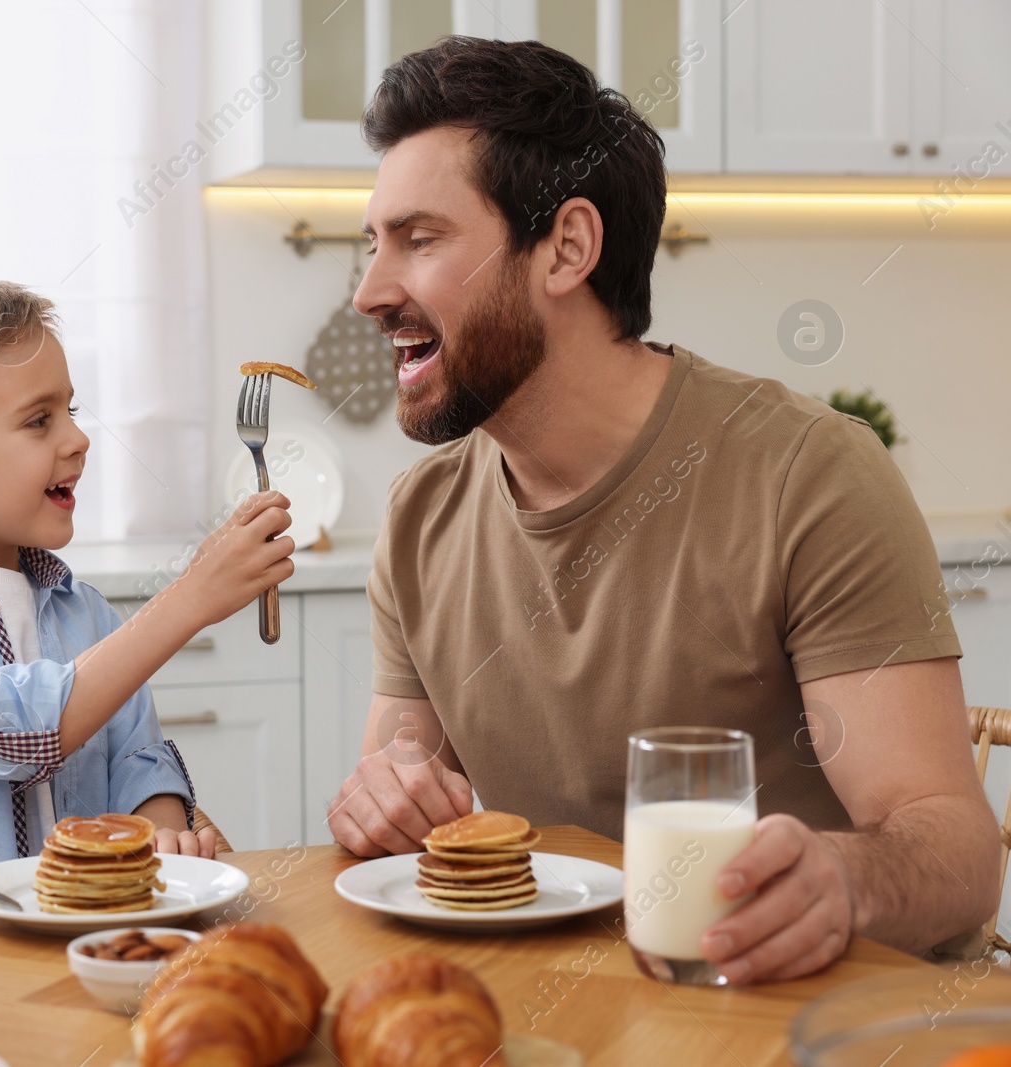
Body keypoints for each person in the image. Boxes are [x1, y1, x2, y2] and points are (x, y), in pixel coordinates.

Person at [325, 37, 1001, 981]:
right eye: (372, 245)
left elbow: (959, 853)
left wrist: (843, 875)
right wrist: (379, 802)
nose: (368, 292)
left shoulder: (807, 474)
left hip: (815, 1017)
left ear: (567, 247)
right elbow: (400, 801)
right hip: (580, 1009)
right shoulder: (420, 520)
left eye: (419, 239)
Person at [0, 274, 294, 878]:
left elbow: (138, 760)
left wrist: (164, 830)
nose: (78, 438)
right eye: (38, 421)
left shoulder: (82, 610)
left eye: (68, 409)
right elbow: (11, 730)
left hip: (83, 929)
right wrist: (190, 600)